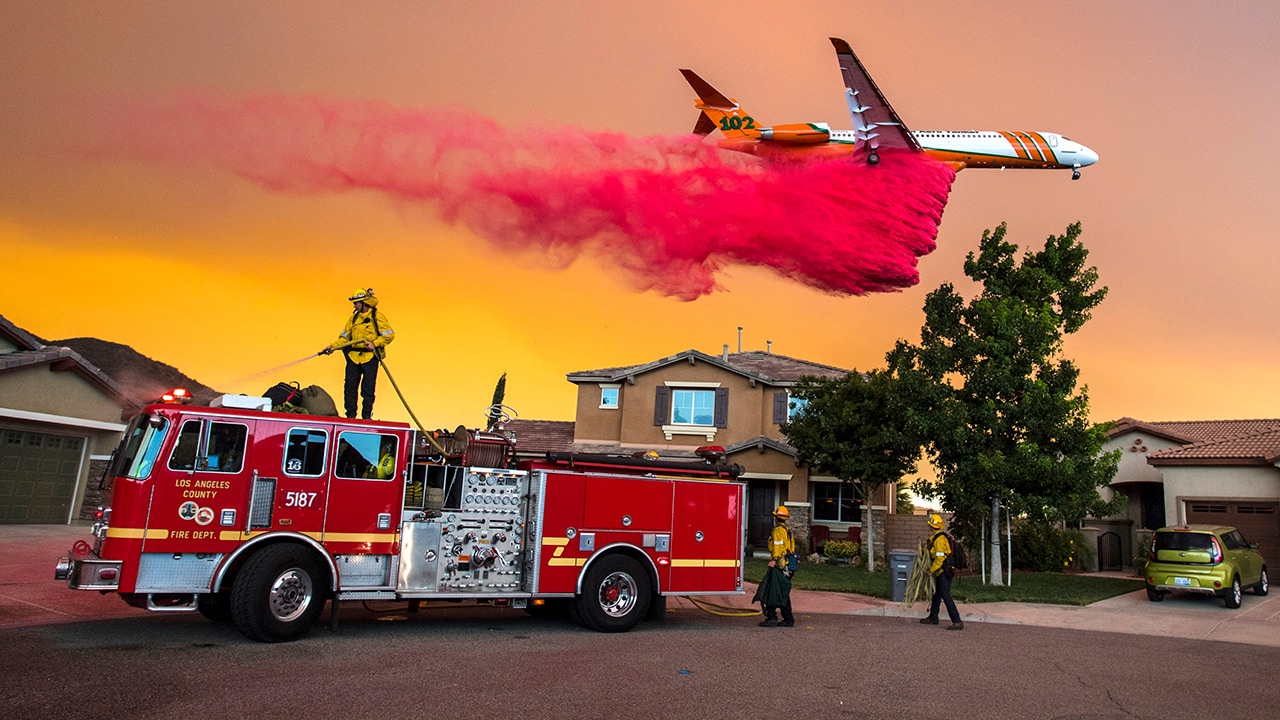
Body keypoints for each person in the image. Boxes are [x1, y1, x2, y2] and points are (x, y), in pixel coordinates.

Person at [319, 288, 395, 420]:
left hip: (370, 357)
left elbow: (389, 335)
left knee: (368, 389)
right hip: (353, 357)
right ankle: (351, 416)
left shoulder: (377, 317)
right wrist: (332, 347)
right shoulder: (353, 319)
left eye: (356, 303)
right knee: (350, 387)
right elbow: (344, 338)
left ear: (364, 302)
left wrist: (375, 343)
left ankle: (366, 417)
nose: (354, 305)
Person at [920, 513, 964, 630]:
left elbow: (940, 558)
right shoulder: (937, 538)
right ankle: (933, 617)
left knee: (945, 595)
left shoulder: (939, 540)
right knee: (937, 594)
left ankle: (957, 621)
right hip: (942, 571)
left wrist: (931, 570)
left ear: (931, 526)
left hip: (944, 571)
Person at [757, 505, 795, 628]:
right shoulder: (787, 530)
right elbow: (791, 548)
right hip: (788, 565)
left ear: (776, 518)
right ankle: (786, 618)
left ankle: (773, 617)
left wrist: (774, 560)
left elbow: (778, 546)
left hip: (780, 565)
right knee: (781, 591)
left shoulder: (778, 530)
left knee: (773, 590)